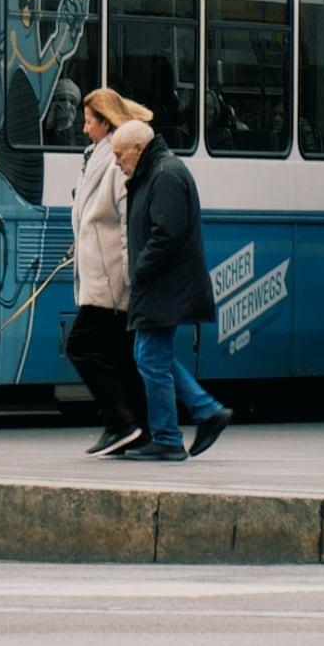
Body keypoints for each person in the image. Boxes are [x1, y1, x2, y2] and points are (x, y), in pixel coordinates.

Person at [111, 119, 234, 462]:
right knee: (150, 356)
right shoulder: (157, 170)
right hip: (161, 283)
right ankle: (205, 409)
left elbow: (167, 232)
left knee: (149, 358)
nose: (118, 162)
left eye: (120, 155)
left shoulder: (164, 174)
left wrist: (140, 269)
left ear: (138, 149)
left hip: (163, 284)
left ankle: (168, 437)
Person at [67, 88, 153, 457]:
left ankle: (122, 423)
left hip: (110, 279)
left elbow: (125, 225)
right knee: (121, 355)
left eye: (89, 120)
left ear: (105, 122)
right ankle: (139, 429)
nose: (84, 128)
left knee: (80, 346)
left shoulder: (115, 161)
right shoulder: (96, 156)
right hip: (99, 273)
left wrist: (129, 279)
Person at [44, 79, 85, 147]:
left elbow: (74, 152)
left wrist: (66, 128)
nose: (67, 105)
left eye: (72, 102)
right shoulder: (42, 120)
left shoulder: (80, 123)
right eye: (62, 99)